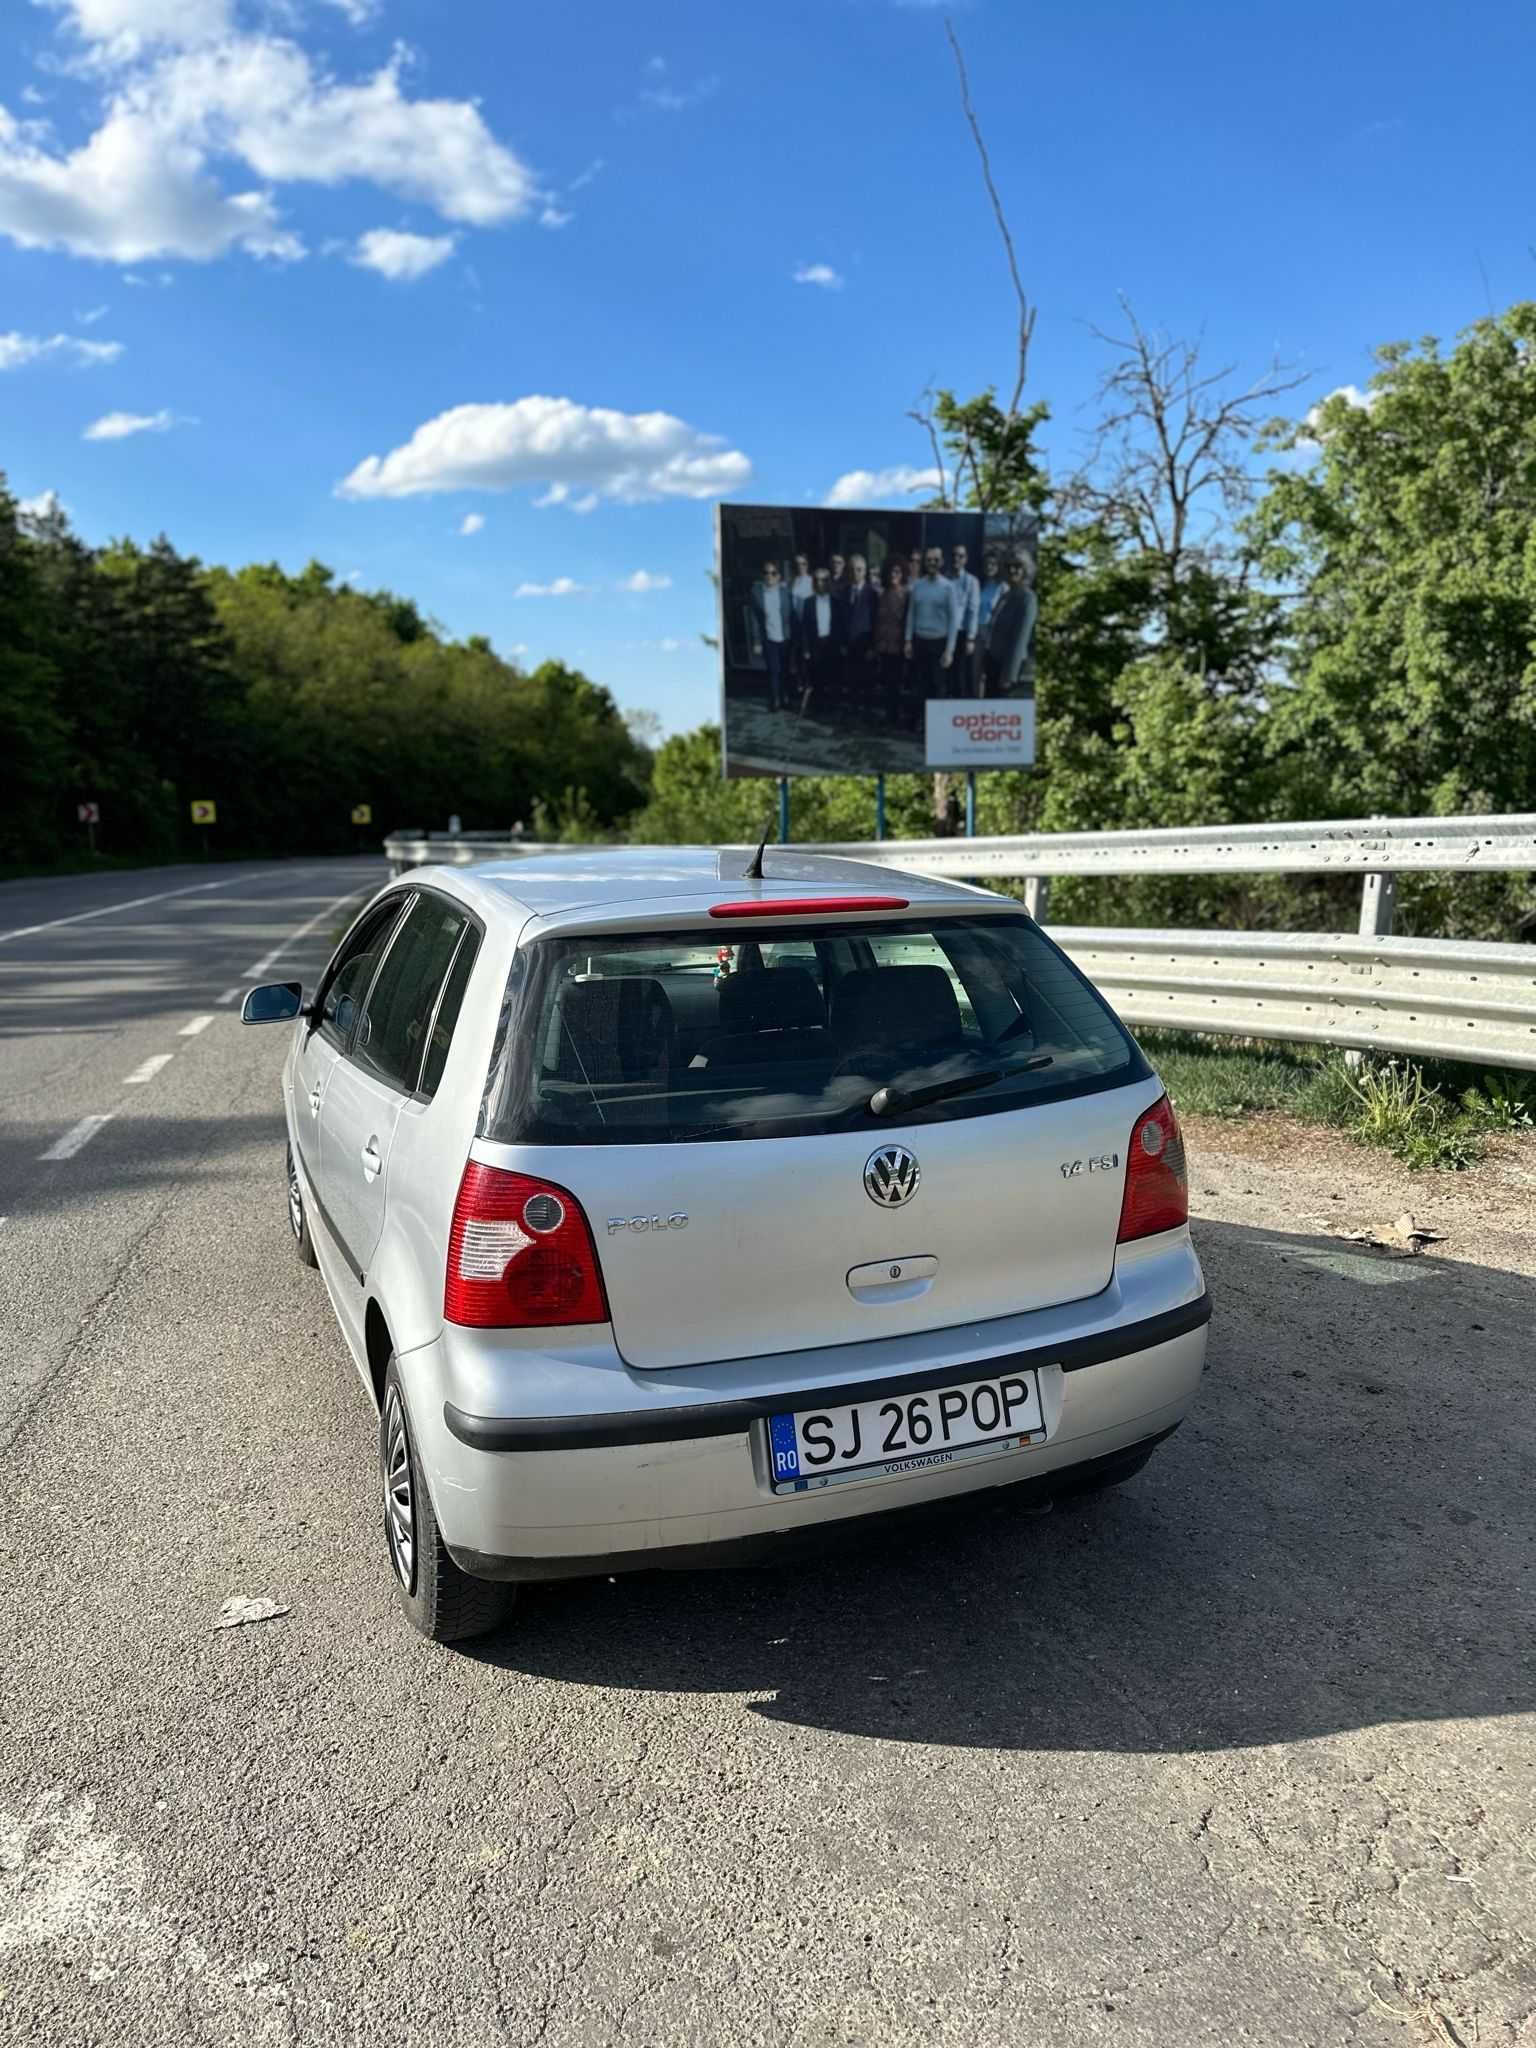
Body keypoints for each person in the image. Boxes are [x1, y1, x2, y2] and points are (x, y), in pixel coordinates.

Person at [903, 545, 957, 728]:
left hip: (938, 643)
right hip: (919, 641)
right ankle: (918, 721)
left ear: (941, 562)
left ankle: (937, 725)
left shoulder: (948, 588)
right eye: (929, 560)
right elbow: (911, 614)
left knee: (938, 687)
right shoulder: (918, 586)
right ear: (925, 563)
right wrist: (908, 640)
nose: (932, 563)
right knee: (919, 685)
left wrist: (949, 650)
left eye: (936, 560)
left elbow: (953, 622)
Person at [981, 553, 1038, 697]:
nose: (1012, 570)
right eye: (1008, 566)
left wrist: (1009, 676)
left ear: (1026, 570)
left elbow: (1020, 639)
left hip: (1007, 667)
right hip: (993, 661)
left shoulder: (1027, 598)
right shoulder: (1007, 594)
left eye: (1017, 566)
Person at [835, 554, 879, 719]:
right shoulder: (844, 592)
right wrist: (842, 643)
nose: (856, 573)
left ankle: (867, 712)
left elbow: (876, 623)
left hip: (866, 645)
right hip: (849, 644)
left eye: (859, 570)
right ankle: (853, 709)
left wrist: (873, 647)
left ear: (865, 571)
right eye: (853, 569)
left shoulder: (872, 594)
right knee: (852, 679)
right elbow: (840, 620)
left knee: (867, 680)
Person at [748, 559, 795, 713]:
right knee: (773, 670)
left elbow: (792, 615)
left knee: (785, 669)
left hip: (785, 637)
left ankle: (785, 697)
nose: (770, 576)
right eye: (766, 573)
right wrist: (756, 641)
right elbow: (755, 618)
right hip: (768, 637)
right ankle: (774, 699)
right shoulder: (757, 593)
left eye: (773, 573)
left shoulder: (785, 592)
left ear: (779, 576)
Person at [795, 567, 841, 714]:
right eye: (818, 580)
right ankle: (819, 707)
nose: (821, 583)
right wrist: (806, 649)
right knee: (817, 677)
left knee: (833, 677)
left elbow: (841, 626)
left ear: (828, 582)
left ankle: (833, 707)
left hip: (831, 643)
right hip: (815, 643)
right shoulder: (808, 602)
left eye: (824, 580)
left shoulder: (835, 602)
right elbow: (804, 628)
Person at [874, 559, 908, 726]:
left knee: (897, 683)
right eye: (891, 572)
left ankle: (895, 716)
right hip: (884, 645)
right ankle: (889, 714)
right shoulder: (882, 594)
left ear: (902, 574)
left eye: (897, 572)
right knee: (887, 682)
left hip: (899, 645)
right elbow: (878, 621)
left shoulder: (906, 595)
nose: (894, 575)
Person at [948, 542, 980, 695]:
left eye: (960, 556)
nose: (956, 559)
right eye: (954, 555)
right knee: (946, 676)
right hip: (944, 633)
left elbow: (973, 611)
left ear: (965, 559)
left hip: (961, 635)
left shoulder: (972, 582)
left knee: (960, 677)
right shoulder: (945, 580)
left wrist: (970, 638)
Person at [976, 550, 1005, 674]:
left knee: (990, 672)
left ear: (999, 566)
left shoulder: (1003, 587)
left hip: (993, 635)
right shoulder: (981, 585)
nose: (989, 567)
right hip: (978, 633)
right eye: (987, 563)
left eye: (993, 564)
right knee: (976, 672)